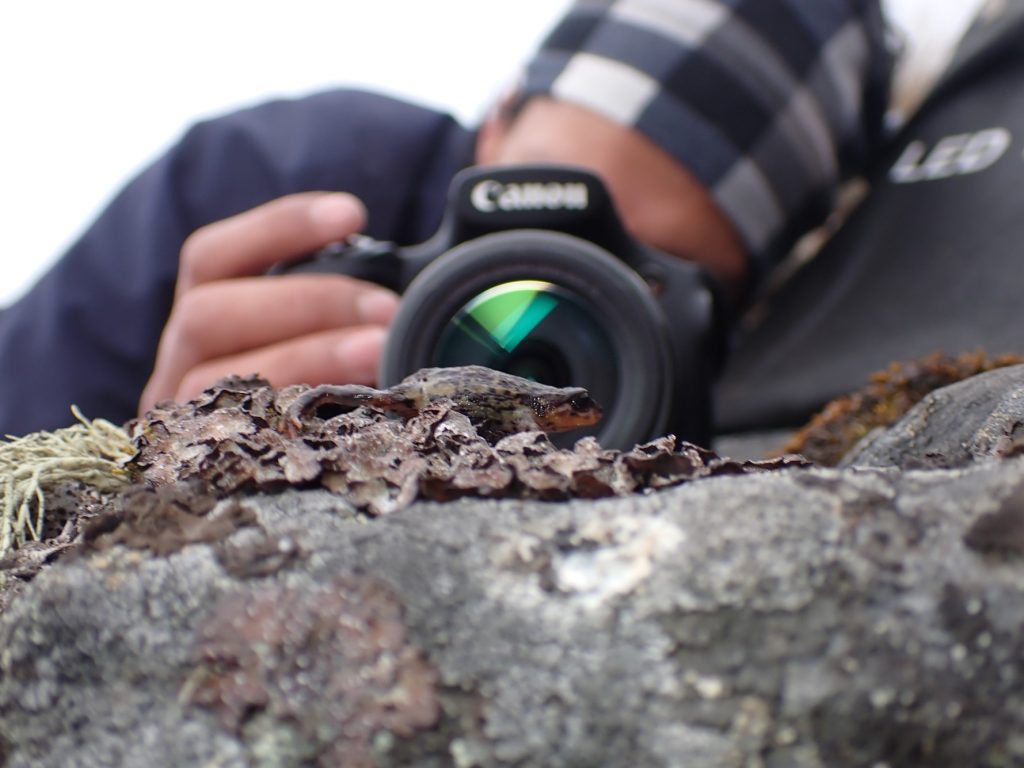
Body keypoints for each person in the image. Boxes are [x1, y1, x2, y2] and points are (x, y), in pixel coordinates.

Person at [0, 0, 893, 436]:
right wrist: (157, 446)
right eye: (539, 203)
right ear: (497, 113)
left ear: (715, 310)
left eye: (630, 272)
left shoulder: (722, 379)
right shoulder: (285, 181)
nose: (534, 310)